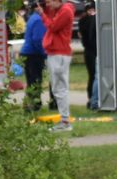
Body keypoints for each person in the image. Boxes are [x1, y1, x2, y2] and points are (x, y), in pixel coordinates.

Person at [42, 0, 76, 128]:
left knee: (60, 87)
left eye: (49, 2)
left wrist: (42, 14)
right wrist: (43, 9)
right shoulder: (59, 9)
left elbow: (53, 26)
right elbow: (50, 15)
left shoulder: (65, 11)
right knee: (57, 87)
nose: (48, 5)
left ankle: (65, 121)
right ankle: (64, 119)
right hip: (56, 52)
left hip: (59, 53)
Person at [20, 3, 48, 111]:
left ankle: (28, 104)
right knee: (36, 80)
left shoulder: (32, 18)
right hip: (34, 54)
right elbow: (37, 39)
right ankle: (35, 104)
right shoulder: (38, 20)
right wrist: (44, 53)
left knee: (30, 80)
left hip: (27, 52)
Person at [78, 0, 99, 108]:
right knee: (93, 76)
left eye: (93, 10)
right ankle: (92, 98)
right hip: (90, 51)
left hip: (93, 50)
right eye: (89, 10)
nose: (91, 12)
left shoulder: (92, 19)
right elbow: (85, 36)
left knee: (94, 76)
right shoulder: (84, 21)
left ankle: (93, 98)